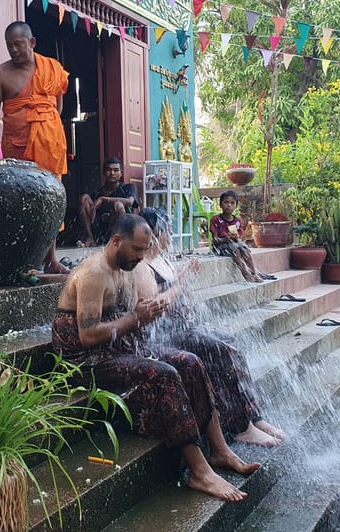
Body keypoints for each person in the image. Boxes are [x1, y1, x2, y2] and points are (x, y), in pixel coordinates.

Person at [52, 214, 260, 501]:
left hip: (119, 348)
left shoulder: (127, 267)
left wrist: (149, 310)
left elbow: (134, 314)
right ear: (116, 241)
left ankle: (220, 449)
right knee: (163, 373)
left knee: (190, 361)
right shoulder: (94, 273)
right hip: (86, 361)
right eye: (137, 250)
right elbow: (88, 336)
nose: (141, 256)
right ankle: (199, 471)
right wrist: (135, 318)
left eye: (144, 249)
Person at [137, 208, 285, 447]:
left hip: (184, 329)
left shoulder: (161, 259)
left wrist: (183, 278)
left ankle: (254, 417)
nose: (172, 235)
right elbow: (156, 306)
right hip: (166, 338)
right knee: (222, 351)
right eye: (167, 231)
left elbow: (175, 292)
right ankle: (240, 427)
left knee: (231, 344)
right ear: (153, 234)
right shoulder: (143, 265)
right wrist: (183, 282)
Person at [0, 21, 69, 274]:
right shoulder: (0, 74)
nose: (13, 50)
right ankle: (20, 260)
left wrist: (46, 127)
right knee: (21, 201)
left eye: (18, 44)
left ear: (31, 43)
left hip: (50, 146)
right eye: (9, 45)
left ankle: (51, 260)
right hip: (17, 148)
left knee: (52, 198)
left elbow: (57, 106)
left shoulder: (52, 69)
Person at [211, 191, 275, 283]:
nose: (229, 205)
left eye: (232, 203)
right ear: (220, 205)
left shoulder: (237, 221)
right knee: (236, 250)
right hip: (220, 247)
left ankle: (254, 273)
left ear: (236, 206)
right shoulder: (216, 219)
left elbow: (241, 238)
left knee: (244, 248)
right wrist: (225, 239)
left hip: (233, 244)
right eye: (226, 202)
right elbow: (215, 239)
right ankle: (246, 275)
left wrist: (236, 238)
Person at [79, 157, 139, 246]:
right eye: (108, 170)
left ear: (121, 173)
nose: (112, 173)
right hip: (100, 232)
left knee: (118, 205)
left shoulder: (129, 187)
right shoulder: (98, 192)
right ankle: (90, 237)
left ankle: (122, 240)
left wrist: (104, 199)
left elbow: (130, 202)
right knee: (84, 198)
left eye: (116, 170)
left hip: (119, 229)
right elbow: (91, 214)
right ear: (104, 172)